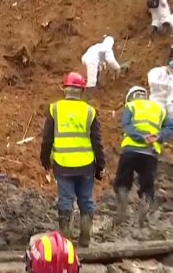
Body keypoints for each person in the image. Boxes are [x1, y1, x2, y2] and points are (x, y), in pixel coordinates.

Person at [40, 72, 105, 247]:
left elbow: (47, 138)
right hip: (86, 166)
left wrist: (44, 159)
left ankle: (66, 240)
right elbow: (96, 142)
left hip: (63, 165)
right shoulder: (89, 111)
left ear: (65, 89)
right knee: (86, 199)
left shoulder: (55, 109)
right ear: (82, 90)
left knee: (65, 199)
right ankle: (85, 236)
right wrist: (101, 166)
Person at [114, 86, 173, 226]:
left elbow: (127, 126)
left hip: (130, 150)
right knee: (147, 184)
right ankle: (144, 208)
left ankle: (122, 209)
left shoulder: (131, 106)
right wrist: (158, 137)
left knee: (122, 182)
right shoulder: (159, 108)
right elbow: (172, 128)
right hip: (150, 153)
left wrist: (141, 137)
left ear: (130, 97)